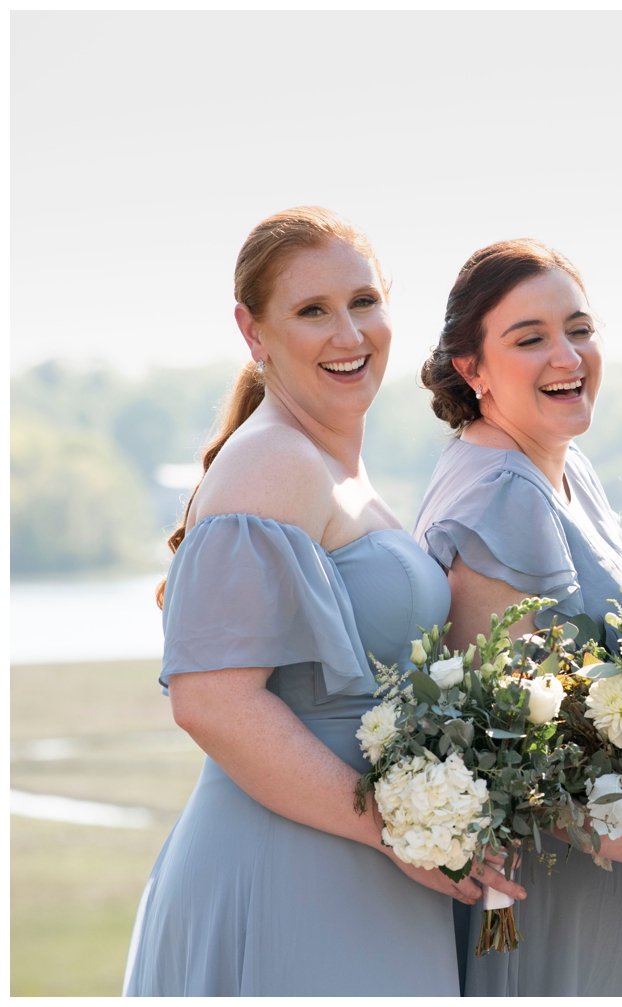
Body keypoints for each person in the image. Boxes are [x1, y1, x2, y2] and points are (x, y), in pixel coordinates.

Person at [123, 207, 522, 996]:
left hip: (364, 867)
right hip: (289, 869)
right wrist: (398, 830)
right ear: (253, 331)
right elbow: (213, 704)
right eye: (312, 311)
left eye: (363, 302)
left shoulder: (332, 468)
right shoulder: (270, 463)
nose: (349, 334)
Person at [412, 239, 622, 996]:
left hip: (602, 863)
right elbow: (508, 723)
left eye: (578, 328)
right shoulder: (501, 491)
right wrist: (613, 825)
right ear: (471, 369)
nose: (567, 355)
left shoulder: (564, 464)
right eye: (529, 338)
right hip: (549, 880)